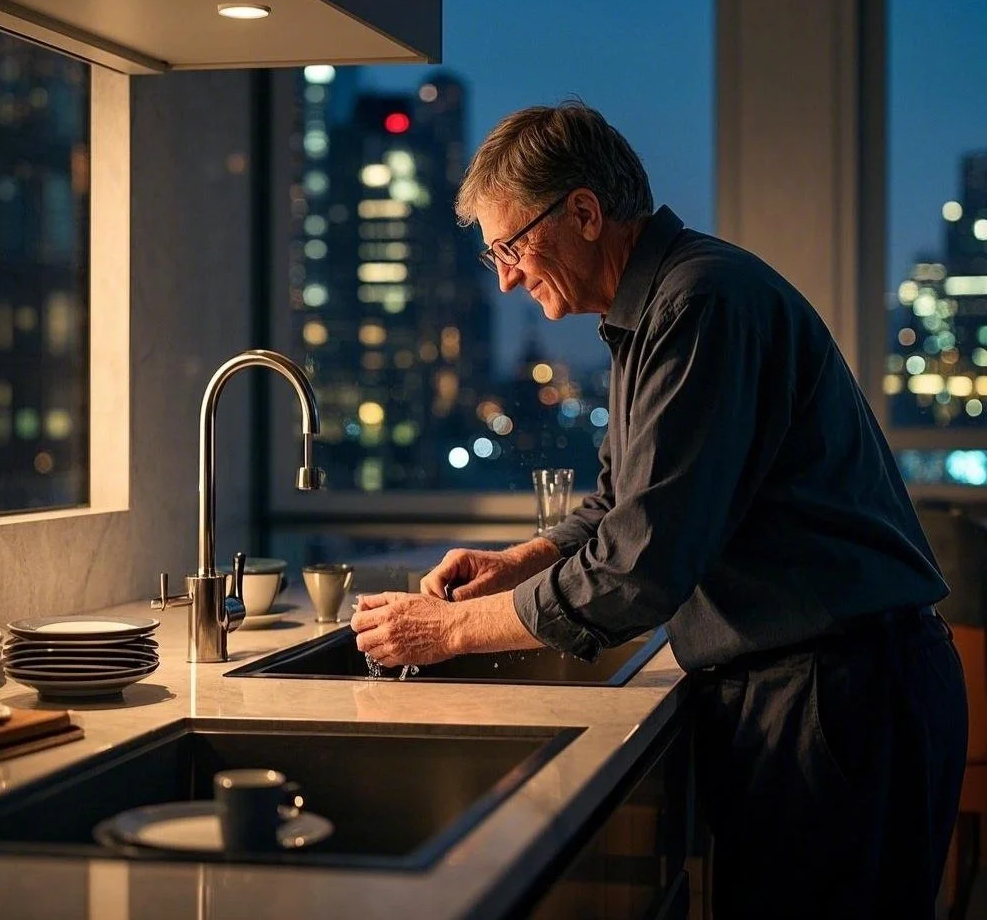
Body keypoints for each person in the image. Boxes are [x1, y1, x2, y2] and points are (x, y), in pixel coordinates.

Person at [350, 102, 968, 918]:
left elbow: (640, 568)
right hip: (820, 689)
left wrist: (451, 631)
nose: (502, 276)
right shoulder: (650, 313)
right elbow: (618, 508)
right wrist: (517, 561)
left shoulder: (698, 304)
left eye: (510, 246)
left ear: (583, 211)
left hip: (839, 698)